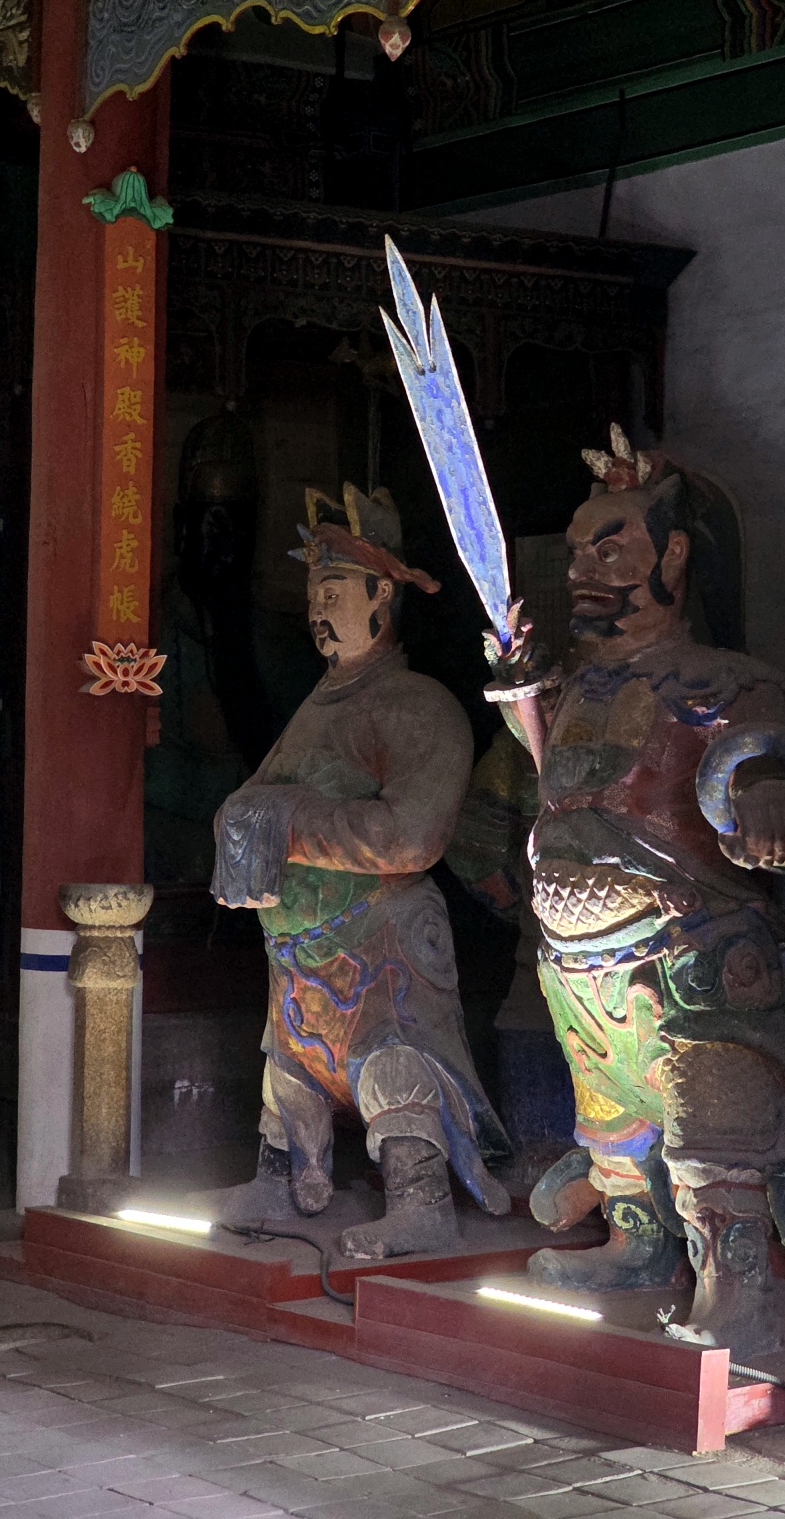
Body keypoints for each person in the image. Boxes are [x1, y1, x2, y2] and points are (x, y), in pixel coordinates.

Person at [503, 427, 785, 1360]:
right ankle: (635, 1242)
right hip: (579, 967)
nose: (584, 566)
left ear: (674, 554)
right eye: (576, 549)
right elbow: (554, 792)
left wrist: (767, 790)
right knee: (611, 1121)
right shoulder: (567, 685)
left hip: (686, 948)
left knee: (708, 1122)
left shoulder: (727, 679)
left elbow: (771, 750)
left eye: (611, 543)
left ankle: (737, 1284)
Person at [208, 484, 510, 1259]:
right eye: (312, 592)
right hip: (300, 948)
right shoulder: (318, 705)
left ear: (383, 593)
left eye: (334, 590)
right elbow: (256, 796)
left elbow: (411, 837)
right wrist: (245, 821)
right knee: (289, 1062)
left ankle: (420, 1198)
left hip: (380, 939)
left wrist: (289, 820)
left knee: (392, 1061)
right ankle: (281, 1175)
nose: (318, 608)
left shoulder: (417, 706)